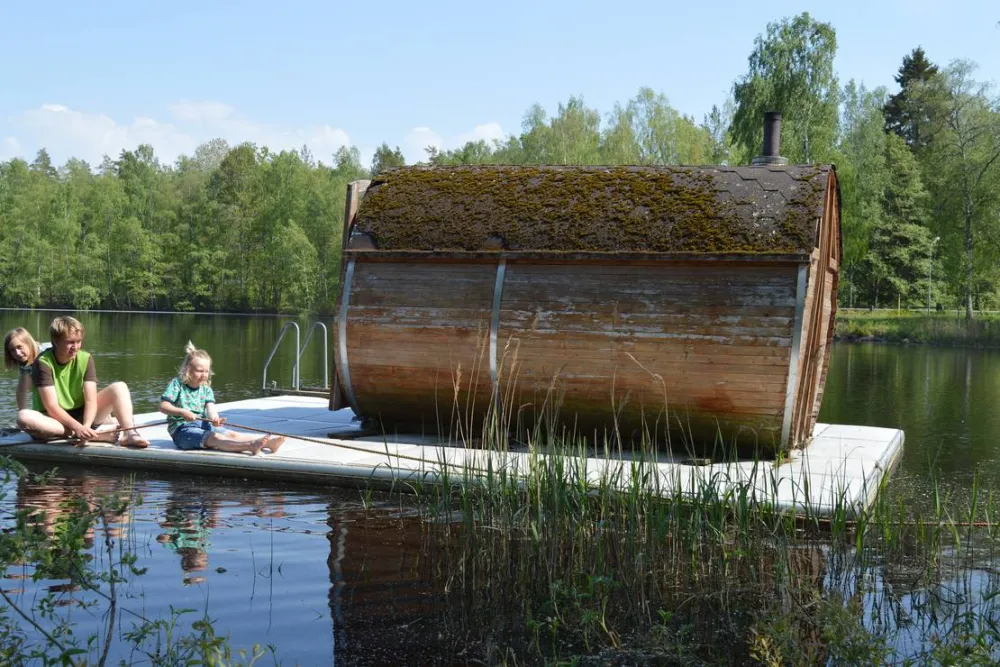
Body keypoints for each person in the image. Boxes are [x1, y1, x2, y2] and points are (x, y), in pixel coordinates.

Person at [16, 316, 148, 448]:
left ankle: (129, 434)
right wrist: (78, 428)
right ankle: (92, 436)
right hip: (55, 420)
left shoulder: (86, 358)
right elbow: (52, 406)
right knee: (24, 417)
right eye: (70, 342)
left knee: (119, 387)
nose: (76, 347)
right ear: (55, 341)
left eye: (78, 341)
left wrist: (85, 426)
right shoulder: (43, 362)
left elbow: (90, 400)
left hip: (83, 416)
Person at [159, 341, 285, 456]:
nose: (204, 375)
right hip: (183, 430)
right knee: (216, 439)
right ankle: (250, 446)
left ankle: (269, 444)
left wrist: (214, 418)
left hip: (203, 424)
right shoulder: (177, 384)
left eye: (206, 371)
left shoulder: (206, 389)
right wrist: (182, 412)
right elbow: (163, 406)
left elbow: (211, 407)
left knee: (231, 434)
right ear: (187, 369)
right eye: (199, 371)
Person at [3, 327, 51, 411]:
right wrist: (22, 413)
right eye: (12, 350)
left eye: (19, 347)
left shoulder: (48, 351)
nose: (17, 353)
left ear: (29, 343)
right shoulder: (25, 362)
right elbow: (21, 390)